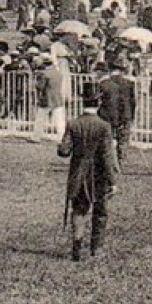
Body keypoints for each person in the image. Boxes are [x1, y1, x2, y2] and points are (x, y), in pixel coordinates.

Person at [58, 88, 118, 261]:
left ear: (82, 102)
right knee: (100, 211)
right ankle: (96, 249)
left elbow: (64, 151)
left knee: (79, 209)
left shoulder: (73, 124)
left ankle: (77, 245)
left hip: (78, 172)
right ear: (98, 103)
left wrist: (61, 146)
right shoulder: (104, 126)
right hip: (98, 174)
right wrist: (113, 181)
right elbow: (107, 156)